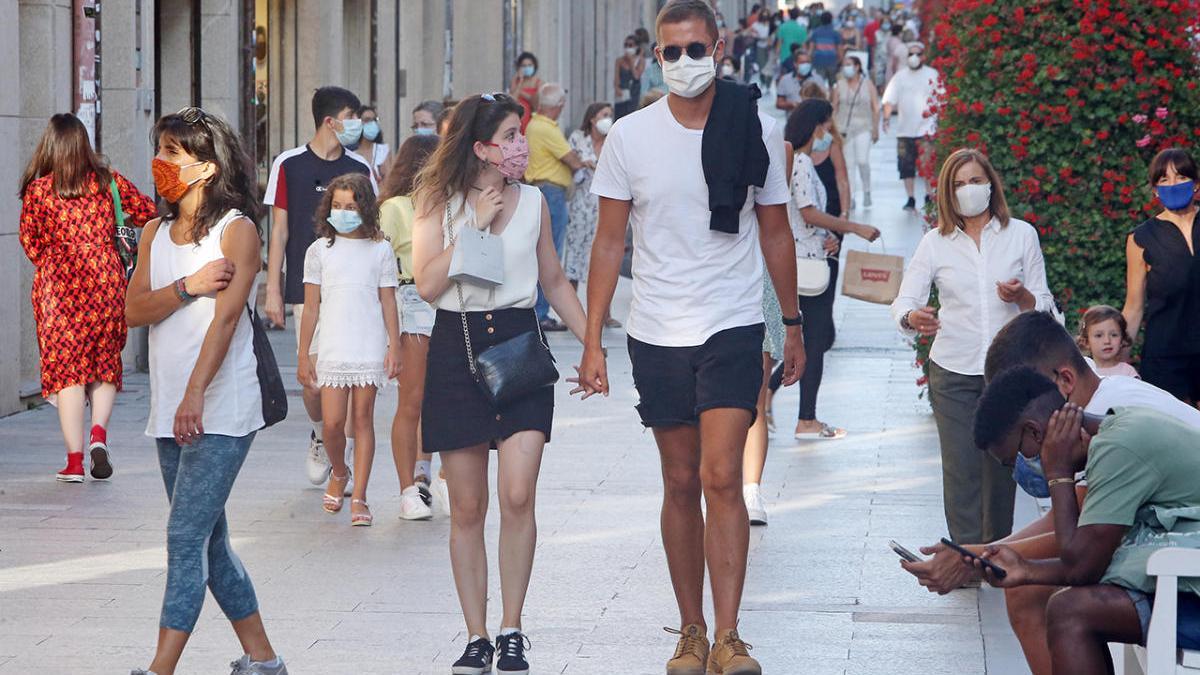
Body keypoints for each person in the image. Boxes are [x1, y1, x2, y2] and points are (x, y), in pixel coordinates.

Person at [579, 2, 806, 671]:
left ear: (722, 46)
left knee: (719, 476)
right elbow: (609, 240)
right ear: (655, 56)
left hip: (732, 322)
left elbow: (775, 229)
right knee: (679, 480)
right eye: (671, 52)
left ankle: (730, 635)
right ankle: (690, 628)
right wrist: (591, 338)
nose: (684, 62)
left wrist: (790, 323)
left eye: (695, 48)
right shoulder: (630, 136)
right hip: (655, 328)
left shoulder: (754, 126)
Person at [905, 309, 1200, 675]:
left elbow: (1078, 558)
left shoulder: (1117, 427)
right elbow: (1075, 535)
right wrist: (997, 559)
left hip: (1186, 572)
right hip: (1179, 562)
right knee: (1045, 593)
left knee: (1063, 605)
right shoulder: (1103, 418)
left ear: (1062, 381)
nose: (1025, 468)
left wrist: (1057, 473)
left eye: (1022, 455)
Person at [410, 92, 588, 675]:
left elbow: (555, 280)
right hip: (456, 348)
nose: (520, 146)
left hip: (518, 346)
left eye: (521, 135)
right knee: (467, 507)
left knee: (517, 493)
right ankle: (477, 635)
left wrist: (594, 345)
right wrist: (476, 228)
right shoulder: (437, 200)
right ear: (480, 145)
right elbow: (428, 284)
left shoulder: (534, 200)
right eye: (511, 135)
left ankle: (512, 627)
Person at [125, 106, 285, 675]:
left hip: (221, 406)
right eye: (161, 149)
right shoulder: (152, 232)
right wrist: (188, 285)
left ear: (208, 166)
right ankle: (263, 660)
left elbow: (226, 321)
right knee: (210, 542)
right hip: (170, 406)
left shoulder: (236, 231)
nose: (162, 163)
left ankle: (159, 669)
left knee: (184, 537)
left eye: (173, 152)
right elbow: (134, 311)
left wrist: (195, 393)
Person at [969, 367, 1200, 675]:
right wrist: (1025, 570)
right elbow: (1088, 557)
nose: (1019, 469)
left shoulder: (1120, 446)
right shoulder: (1117, 430)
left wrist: (1059, 474)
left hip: (1187, 584)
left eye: (1015, 458)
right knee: (1069, 605)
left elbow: (1081, 568)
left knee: (1070, 611)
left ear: (1036, 433)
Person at [891, 148, 1054, 546]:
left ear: (991, 184)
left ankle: (995, 551)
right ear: (948, 192)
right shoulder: (935, 243)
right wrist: (913, 318)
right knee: (961, 466)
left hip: (1008, 373)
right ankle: (963, 555)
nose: (969, 190)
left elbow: (1046, 305)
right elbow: (904, 301)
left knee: (1001, 467)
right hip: (953, 369)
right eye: (959, 184)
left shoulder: (1021, 235)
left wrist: (1023, 298)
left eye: (976, 181)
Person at [18, 113, 157, 482]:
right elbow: (147, 210)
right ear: (84, 145)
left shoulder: (38, 190)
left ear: (50, 146)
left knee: (68, 372)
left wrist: (56, 257)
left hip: (58, 286)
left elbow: (30, 242)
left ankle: (75, 461)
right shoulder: (107, 182)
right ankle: (98, 436)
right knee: (103, 363)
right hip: (105, 279)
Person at [263, 86, 375, 487]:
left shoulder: (361, 169)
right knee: (312, 380)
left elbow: (373, 231)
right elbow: (278, 231)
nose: (358, 124)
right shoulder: (288, 164)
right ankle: (319, 433)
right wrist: (272, 288)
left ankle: (340, 463)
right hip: (305, 289)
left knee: (345, 376)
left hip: (354, 294)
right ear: (331, 121)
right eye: (352, 116)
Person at [297, 173, 401, 527]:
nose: (343, 212)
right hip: (333, 343)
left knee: (363, 419)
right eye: (337, 206)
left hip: (369, 341)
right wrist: (302, 355)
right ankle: (339, 471)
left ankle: (360, 495)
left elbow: (389, 301)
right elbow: (311, 307)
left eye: (351, 206)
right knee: (333, 424)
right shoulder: (319, 251)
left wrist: (394, 346)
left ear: (365, 208)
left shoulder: (380, 249)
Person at [780, 100, 879, 443]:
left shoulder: (789, 159)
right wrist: (852, 227)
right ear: (815, 127)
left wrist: (828, 237)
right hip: (807, 264)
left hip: (802, 255)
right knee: (817, 338)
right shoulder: (803, 162)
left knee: (806, 337)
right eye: (824, 126)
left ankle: (771, 400)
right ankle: (804, 417)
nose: (827, 133)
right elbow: (807, 212)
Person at [379, 133, 442, 520]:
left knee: (441, 396)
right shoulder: (395, 208)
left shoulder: (449, 203)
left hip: (447, 299)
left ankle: (426, 472)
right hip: (411, 299)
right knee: (413, 397)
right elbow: (382, 264)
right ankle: (407, 488)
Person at [1123, 147, 1200, 404]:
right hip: (1166, 356)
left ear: (1195, 183)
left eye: (1180, 177)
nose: (1173, 184)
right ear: (1155, 190)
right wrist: (1114, 361)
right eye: (1164, 179)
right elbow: (1134, 307)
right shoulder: (1141, 238)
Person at [525, 82, 592, 332]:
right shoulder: (546, 128)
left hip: (544, 190)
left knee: (543, 252)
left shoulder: (535, 125)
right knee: (550, 254)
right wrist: (581, 164)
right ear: (559, 106)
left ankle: (539, 310)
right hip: (551, 193)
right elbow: (570, 158)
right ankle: (541, 312)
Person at [565, 102, 620, 331]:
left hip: (604, 204)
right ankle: (570, 313)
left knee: (602, 258)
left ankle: (605, 314)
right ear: (592, 118)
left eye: (610, 115)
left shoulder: (615, 139)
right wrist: (581, 164)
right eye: (603, 115)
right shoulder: (578, 138)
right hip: (581, 204)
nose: (608, 118)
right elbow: (569, 163)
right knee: (575, 257)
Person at [881, 42, 939, 211]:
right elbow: (889, 99)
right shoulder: (900, 77)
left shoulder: (932, 74)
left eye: (917, 54)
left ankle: (929, 195)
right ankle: (911, 197)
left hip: (927, 129)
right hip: (904, 131)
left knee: (928, 165)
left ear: (923, 56)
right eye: (910, 54)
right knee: (906, 166)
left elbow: (941, 98)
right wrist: (885, 118)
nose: (914, 58)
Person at [832, 55, 879, 208]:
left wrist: (875, 129)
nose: (846, 67)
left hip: (863, 127)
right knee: (849, 164)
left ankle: (867, 190)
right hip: (843, 129)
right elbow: (834, 108)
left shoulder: (867, 84)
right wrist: (832, 131)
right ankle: (851, 196)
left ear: (857, 67)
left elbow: (875, 107)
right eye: (844, 64)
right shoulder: (839, 85)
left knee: (862, 161)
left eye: (849, 64)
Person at [1077, 305, 1139, 378]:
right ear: (1086, 342)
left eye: (1114, 335)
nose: (1107, 341)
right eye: (1099, 335)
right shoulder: (1083, 371)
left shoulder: (1128, 372)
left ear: (1122, 339)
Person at [614, 35, 648, 119]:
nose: (627, 47)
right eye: (626, 45)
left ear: (636, 47)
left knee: (632, 115)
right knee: (619, 116)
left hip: (634, 93)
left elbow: (636, 76)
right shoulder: (619, 60)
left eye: (630, 45)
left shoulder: (641, 60)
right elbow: (616, 78)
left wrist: (631, 62)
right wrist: (617, 88)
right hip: (622, 93)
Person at [509, 51, 543, 132]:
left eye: (529, 65)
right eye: (524, 66)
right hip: (516, 118)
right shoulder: (515, 80)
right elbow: (512, 100)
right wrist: (520, 81)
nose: (527, 68)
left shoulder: (538, 83)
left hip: (531, 120)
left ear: (534, 66)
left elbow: (536, 103)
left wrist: (521, 92)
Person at [356, 105, 390, 182]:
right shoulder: (352, 153)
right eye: (367, 120)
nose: (372, 123)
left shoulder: (383, 150)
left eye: (374, 120)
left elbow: (389, 181)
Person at [806, 11, 841, 84]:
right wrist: (840, 61)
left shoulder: (815, 32)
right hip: (832, 61)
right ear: (831, 20)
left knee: (819, 84)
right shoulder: (835, 33)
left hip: (818, 62)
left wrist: (808, 59)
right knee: (833, 85)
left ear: (821, 20)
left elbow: (811, 49)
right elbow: (839, 50)